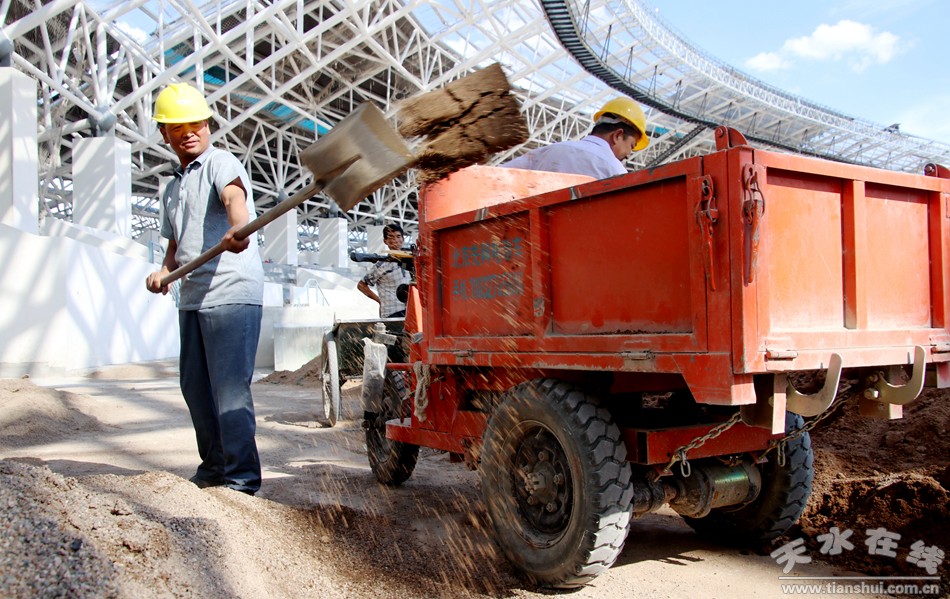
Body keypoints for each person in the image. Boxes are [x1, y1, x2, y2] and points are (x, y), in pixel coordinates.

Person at [145, 82, 265, 496]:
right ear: (164, 134)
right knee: (195, 388)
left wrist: (239, 227)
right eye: (177, 127)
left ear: (208, 125)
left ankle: (242, 479)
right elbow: (174, 245)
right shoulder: (172, 188)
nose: (188, 133)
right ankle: (213, 467)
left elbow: (234, 200)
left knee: (229, 389)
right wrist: (163, 273)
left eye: (195, 123)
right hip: (193, 296)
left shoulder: (220, 162)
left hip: (231, 291)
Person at [501, 97, 649, 179]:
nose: (629, 155)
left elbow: (499, 176)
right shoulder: (616, 172)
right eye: (631, 146)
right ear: (617, 135)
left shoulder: (547, 152)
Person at [357, 224, 412, 318]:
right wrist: (379, 301)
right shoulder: (381, 265)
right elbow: (361, 285)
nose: (395, 240)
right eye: (391, 237)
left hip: (410, 311)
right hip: (391, 312)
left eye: (398, 236)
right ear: (385, 241)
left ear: (403, 239)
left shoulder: (411, 262)